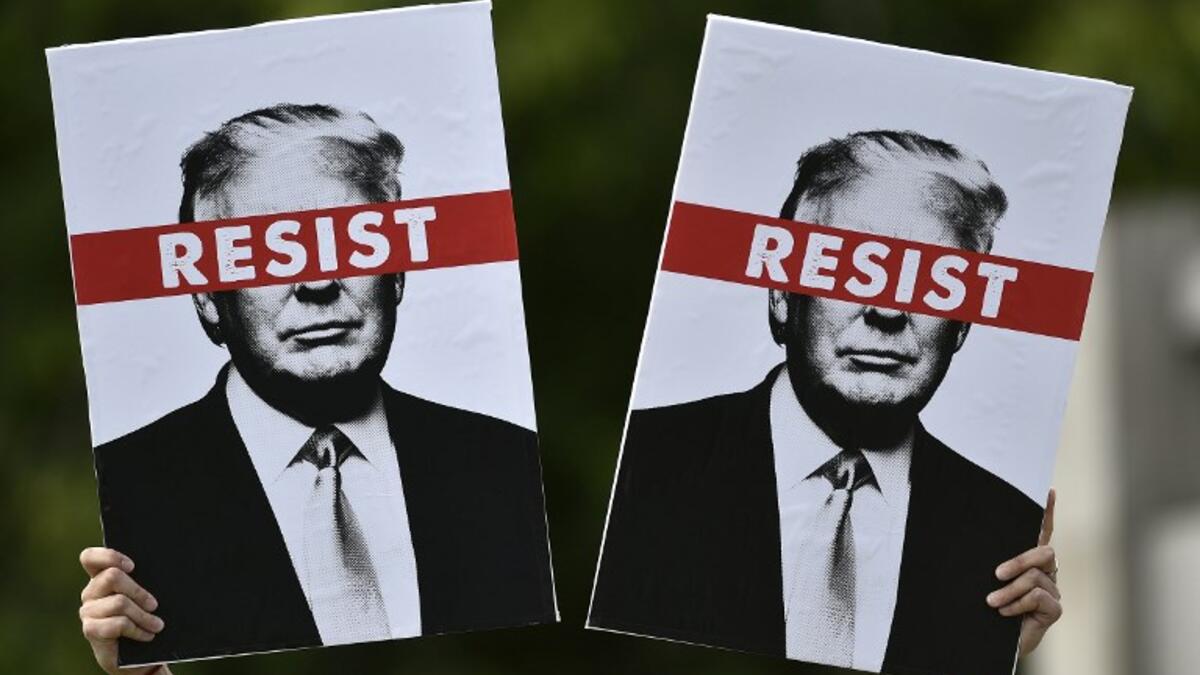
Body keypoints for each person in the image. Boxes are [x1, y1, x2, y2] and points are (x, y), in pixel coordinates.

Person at [79, 104, 555, 667]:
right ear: (206, 297)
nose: (317, 280)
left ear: (397, 269)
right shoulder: (134, 492)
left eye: (347, 241)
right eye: (267, 251)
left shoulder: (510, 464)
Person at [590, 131, 1062, 674]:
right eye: (852, 267)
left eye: (934, 279)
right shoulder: (641, 467)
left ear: (963, 324)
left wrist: (993, 652)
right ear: (781, 295)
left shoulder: (1002, 531)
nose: (887, 309)